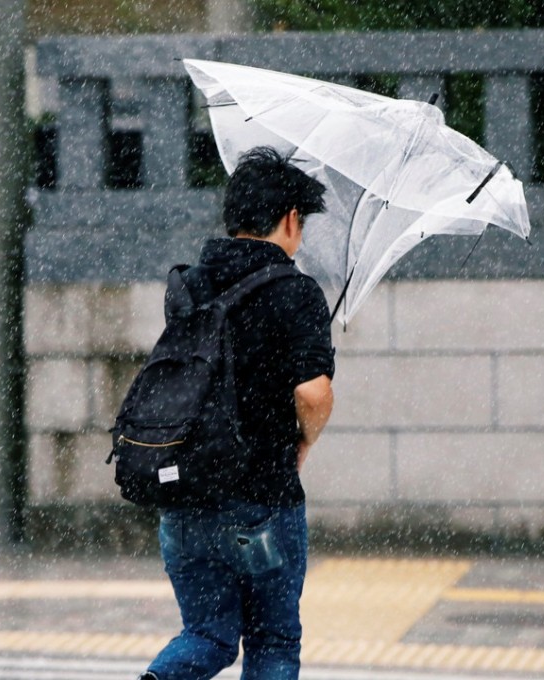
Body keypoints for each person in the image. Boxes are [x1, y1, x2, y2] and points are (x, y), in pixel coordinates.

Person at [139, 146, 335, 680]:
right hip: (261, 502)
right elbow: (313, 395)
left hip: (184, 498)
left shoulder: (190, 284)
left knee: (206, 635)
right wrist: (305, 441)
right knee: (271, 643)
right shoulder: (296, 292)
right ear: (291, 219)